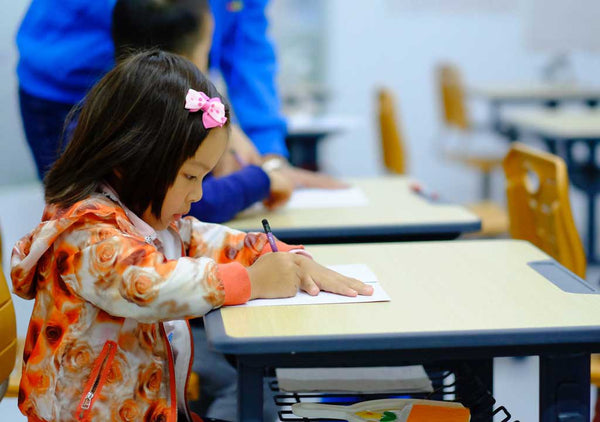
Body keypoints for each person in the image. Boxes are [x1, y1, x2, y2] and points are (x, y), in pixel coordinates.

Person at [10, 50, 373, 422]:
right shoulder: (85, 233)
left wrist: (273, 252)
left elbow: (201, 239)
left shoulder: (147, 218)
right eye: (190, 176)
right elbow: (148, 285)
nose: (198, 194)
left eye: (203, 177)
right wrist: (250, 280)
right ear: (129, 160)